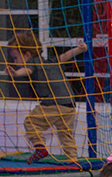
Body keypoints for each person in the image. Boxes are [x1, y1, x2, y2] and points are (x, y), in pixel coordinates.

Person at [5, 31, 87, 163]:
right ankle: (72, 157)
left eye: (15, 57)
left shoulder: (33, 63)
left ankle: (40, 148)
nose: (15, 62)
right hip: (69, 103)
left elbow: (27, 70)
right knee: (65, 132)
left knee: (30, 122)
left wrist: (15, 73)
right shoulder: (51, 61)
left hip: (53, 102)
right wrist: (79, 49)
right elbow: (66, 56)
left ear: (27, 54)